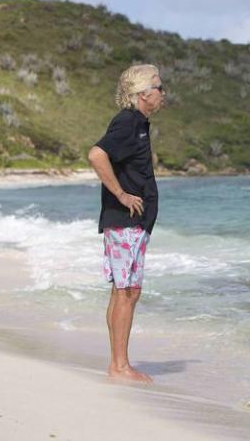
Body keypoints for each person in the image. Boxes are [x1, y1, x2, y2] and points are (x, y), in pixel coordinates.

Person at [88, 64, 165, 382]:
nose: (163, 93)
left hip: (132, 224)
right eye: (160, 87)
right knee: (126, 291)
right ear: (144, 93)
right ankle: (119, 367)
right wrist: (121, 194)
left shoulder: (139, 124)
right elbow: (96, 154)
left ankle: (119, 364)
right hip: (124, 222)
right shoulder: (128, 121)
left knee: (126, 291)